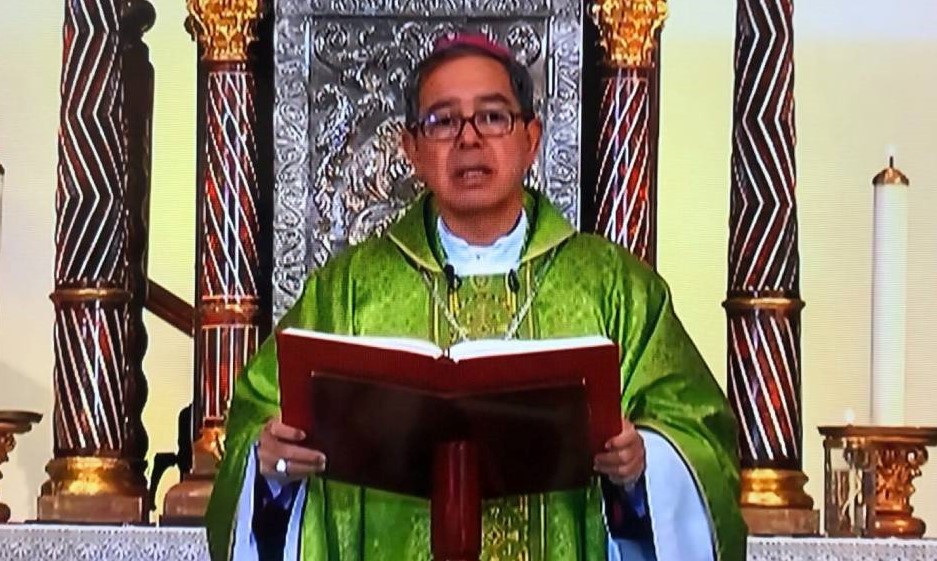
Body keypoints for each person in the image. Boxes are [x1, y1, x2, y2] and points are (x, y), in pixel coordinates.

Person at [205, 33, 747, 561]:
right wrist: (268, 467)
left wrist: (645, 466)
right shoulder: (345, 291)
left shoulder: (615, 288)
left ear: (531, 139)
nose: (469, 139)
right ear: (411, 148)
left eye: (492, 116)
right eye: (442, 120)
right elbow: (257, 427)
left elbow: (701, 440)